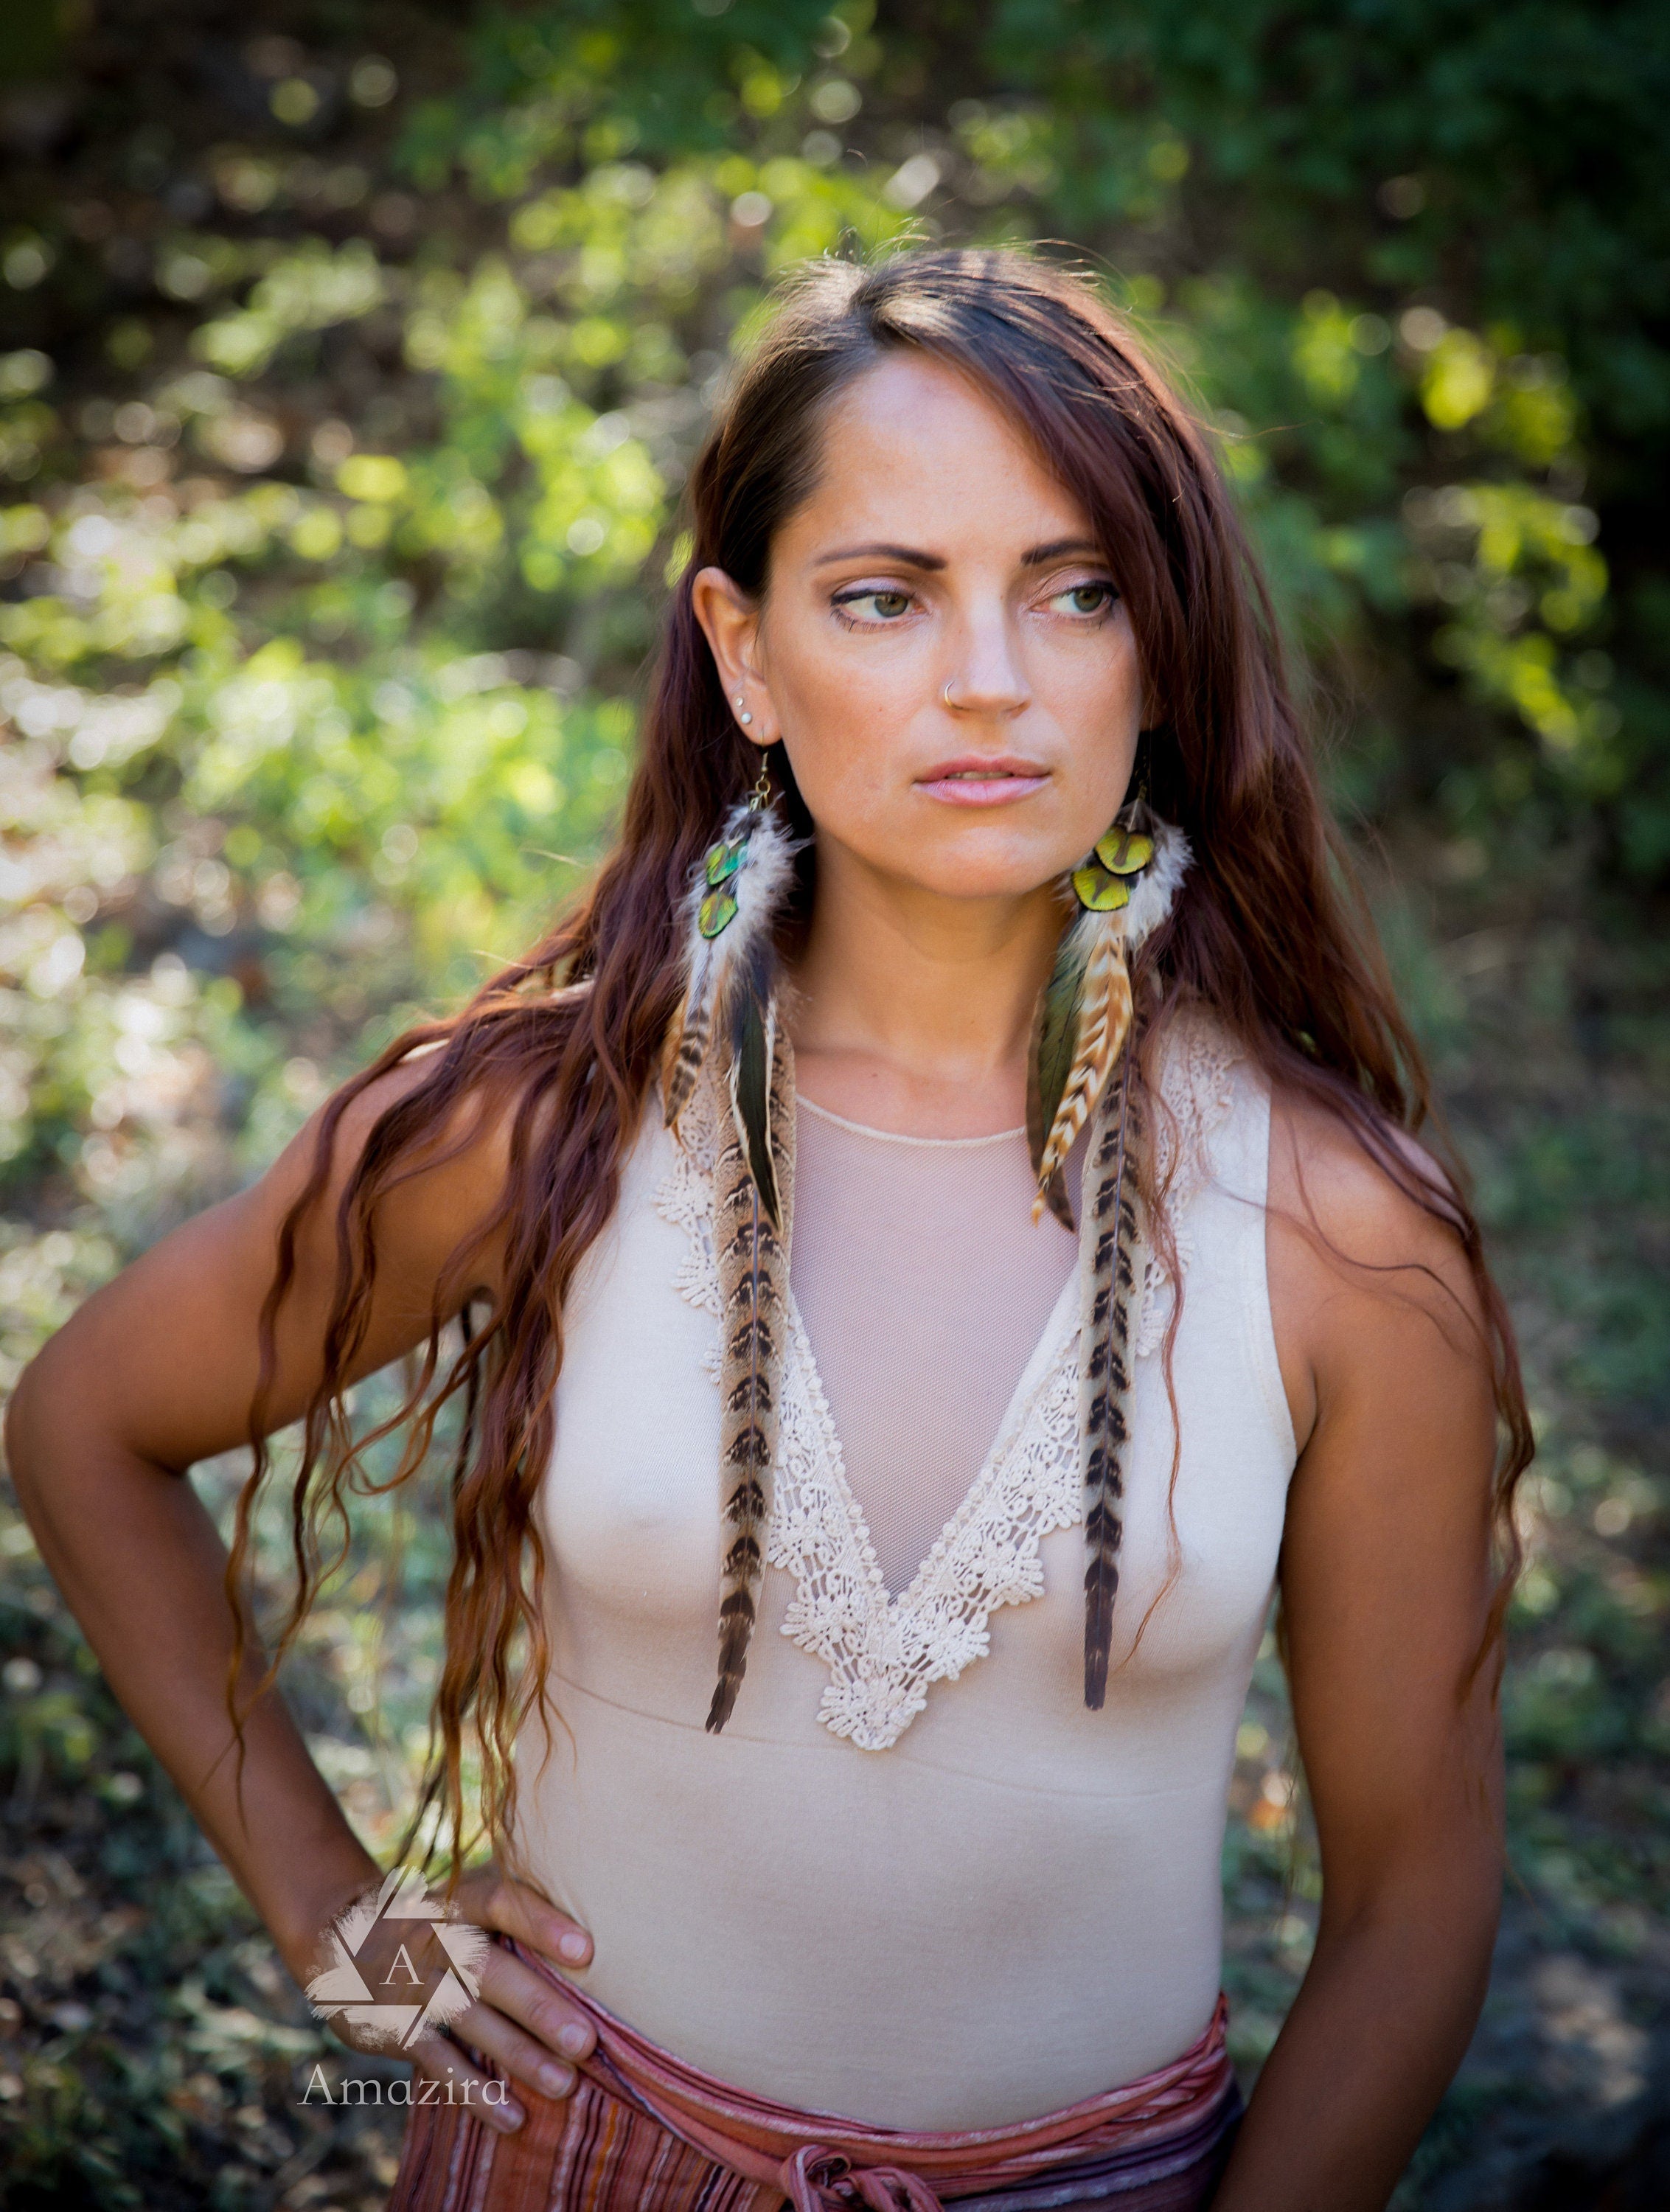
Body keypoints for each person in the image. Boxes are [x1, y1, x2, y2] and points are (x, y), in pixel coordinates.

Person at [6, 247, 1530, 2212]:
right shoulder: (542, 1120)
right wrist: (341, 1922)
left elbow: (1416, 1898)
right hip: (558, 2156)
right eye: (883, 599)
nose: (989, 678)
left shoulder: (1330, 1232)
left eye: (1072, 592)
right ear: (741, 651)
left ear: (1152, 648)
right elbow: (86, 1423)